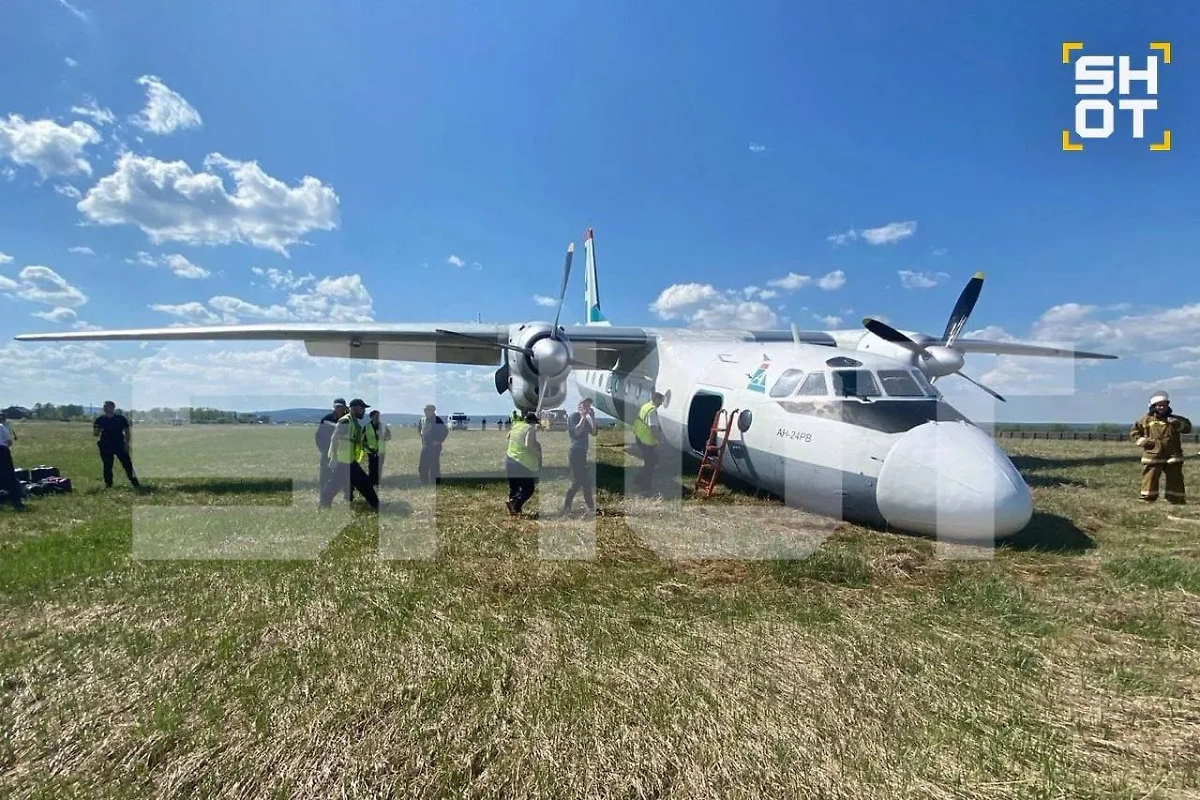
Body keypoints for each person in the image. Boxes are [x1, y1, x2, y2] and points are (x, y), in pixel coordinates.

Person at [1130, 390, 1191, 504]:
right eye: (1159, 405)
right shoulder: (1145, 420)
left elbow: (1188, 428)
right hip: (1152, 455)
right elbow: (1134, 432)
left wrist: (1177, 423)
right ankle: (1147, 499)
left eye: (1164, 404)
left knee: (1175, 478)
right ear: (1154, 406)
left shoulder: (1175, 419)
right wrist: (1144, 442)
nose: (1162, 407)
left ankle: (1176, 500)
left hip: (1173, 455)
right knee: (1150, 478)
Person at [319, 398, 379, 511]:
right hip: (343, 461)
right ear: (355, 409)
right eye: (362, 409)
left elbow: (355, 441)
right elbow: (335, 438)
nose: (364, 412)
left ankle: (323, 506)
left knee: (336, 485)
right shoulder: (346, 421)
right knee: (363, 483)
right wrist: (334, 458)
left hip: (348, 460)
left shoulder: (354, 422)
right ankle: (376, 505)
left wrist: (369, 449)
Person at [562, 397, 597, 516]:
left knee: (582, 481)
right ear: (580, 406)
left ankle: (587, 507)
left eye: (589, 406)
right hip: (575, 452)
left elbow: (594, 432)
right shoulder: (573, 417)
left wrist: (592, 418)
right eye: (585, 406)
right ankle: (585, 507)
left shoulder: (587, 419)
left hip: (582, 453)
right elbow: (576, 432)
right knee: (581, 480)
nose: (587, 408)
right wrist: (582, 417)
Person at [93, 401, 140, 488]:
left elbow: (127, 432)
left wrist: (127, 444)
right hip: (105, 445)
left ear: (113, 408)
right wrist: (96, 430)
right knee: (107, 466)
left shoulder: (121, 419)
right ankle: (108, 485)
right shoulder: (100, 420)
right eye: (104, 407)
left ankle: (135, 483)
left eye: (108, 407)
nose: (106, 409)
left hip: (119, 444)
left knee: (127, 465)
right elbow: (96, 434)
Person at [505, 410, 542, 514]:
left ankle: (514, 510)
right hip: (521, 462)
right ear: (533, 422)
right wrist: (536, 454)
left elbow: (508, 436)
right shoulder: (530, 428)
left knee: (514, 487)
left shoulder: (517, 425)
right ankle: (514, 502)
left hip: (509, 459)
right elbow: (528, 445)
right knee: (528, 488)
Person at [631, 391, 664, 493]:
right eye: (661, 401)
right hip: (647, 440)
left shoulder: (646, 406)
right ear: (656, 399)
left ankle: (639, 479)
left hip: (639, 436)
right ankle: (646, 486)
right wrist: (660, 440)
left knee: (652, 460)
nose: (661, 404)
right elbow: (653, 427)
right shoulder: (652, 411)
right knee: (650, 463)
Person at [315, 398, 347, 492]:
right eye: (337, 407)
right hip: (328, 450)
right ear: (333, 407)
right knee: (325, 472)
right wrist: (323, 448)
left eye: (341, 407)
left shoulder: (348, 420)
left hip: (343, 451)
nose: (339, 409)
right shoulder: (326, 419)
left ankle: (346, 491)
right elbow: (319, 435)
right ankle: (323, 491)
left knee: (345, 472)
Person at [0, 410, 26, 511]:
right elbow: (9, 441)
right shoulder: (1, 427)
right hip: (3, 451)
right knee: (9, 476)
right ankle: (16, 500)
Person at [417, 404, 448, 484]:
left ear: (433, 411)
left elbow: (445, 431)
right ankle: (424, 480)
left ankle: (434, 480)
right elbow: (419, 429)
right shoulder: (423, 420)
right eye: (425, 410)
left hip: (435, 447)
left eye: (427, 410)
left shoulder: (437, 420)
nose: (425, 412)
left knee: (434, 464)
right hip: (425, 445)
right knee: (423, 464)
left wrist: (439, 440)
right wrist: (422, 435)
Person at [365, 409, 389, 487]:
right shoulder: (367, 427)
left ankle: (378, 482)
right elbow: (363, 439)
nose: (378, 417)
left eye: (379, 416)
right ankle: (371, 482)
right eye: (376, 416)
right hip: (371, 450)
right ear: (371, 417)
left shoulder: (383, 426)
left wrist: (383, 436)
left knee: (379, 467)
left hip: (381, 450)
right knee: (372, 467)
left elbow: (389, 437)